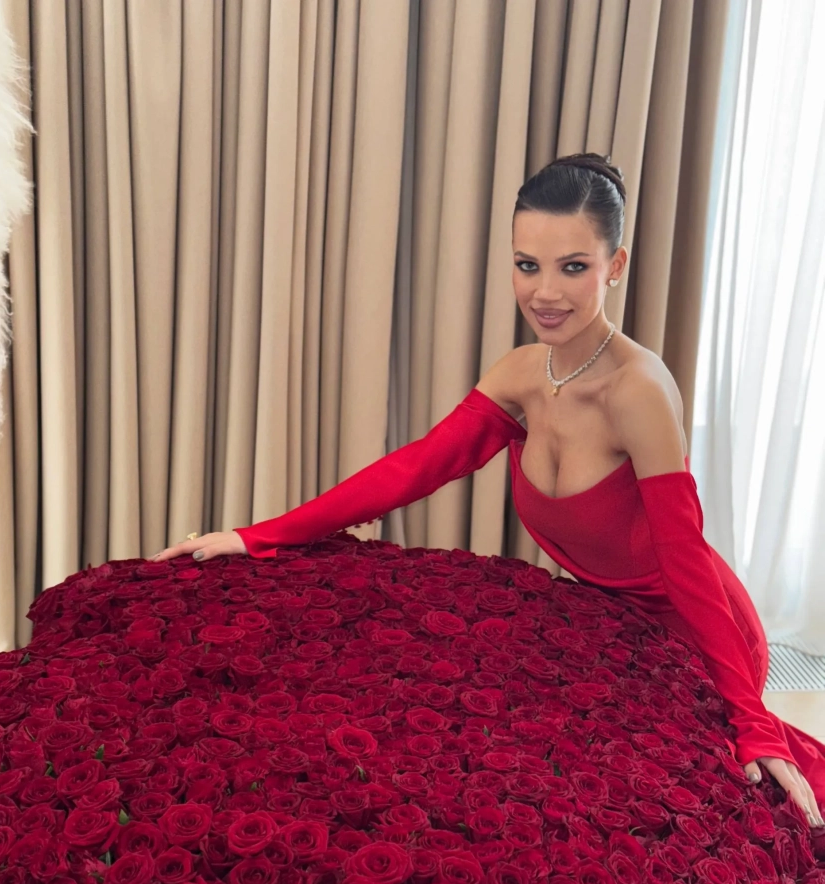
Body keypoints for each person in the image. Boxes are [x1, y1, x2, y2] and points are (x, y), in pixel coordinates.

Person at [151, 151, 825, 829]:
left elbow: (685, 560)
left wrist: (754, 722)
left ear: (615, 266)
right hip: (606, 624)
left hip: (694, 629)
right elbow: (408, 471)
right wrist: (256, 536)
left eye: (573, 267)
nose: (545, 293)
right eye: (528, 265)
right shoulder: (522, 375)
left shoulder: (639, 391)